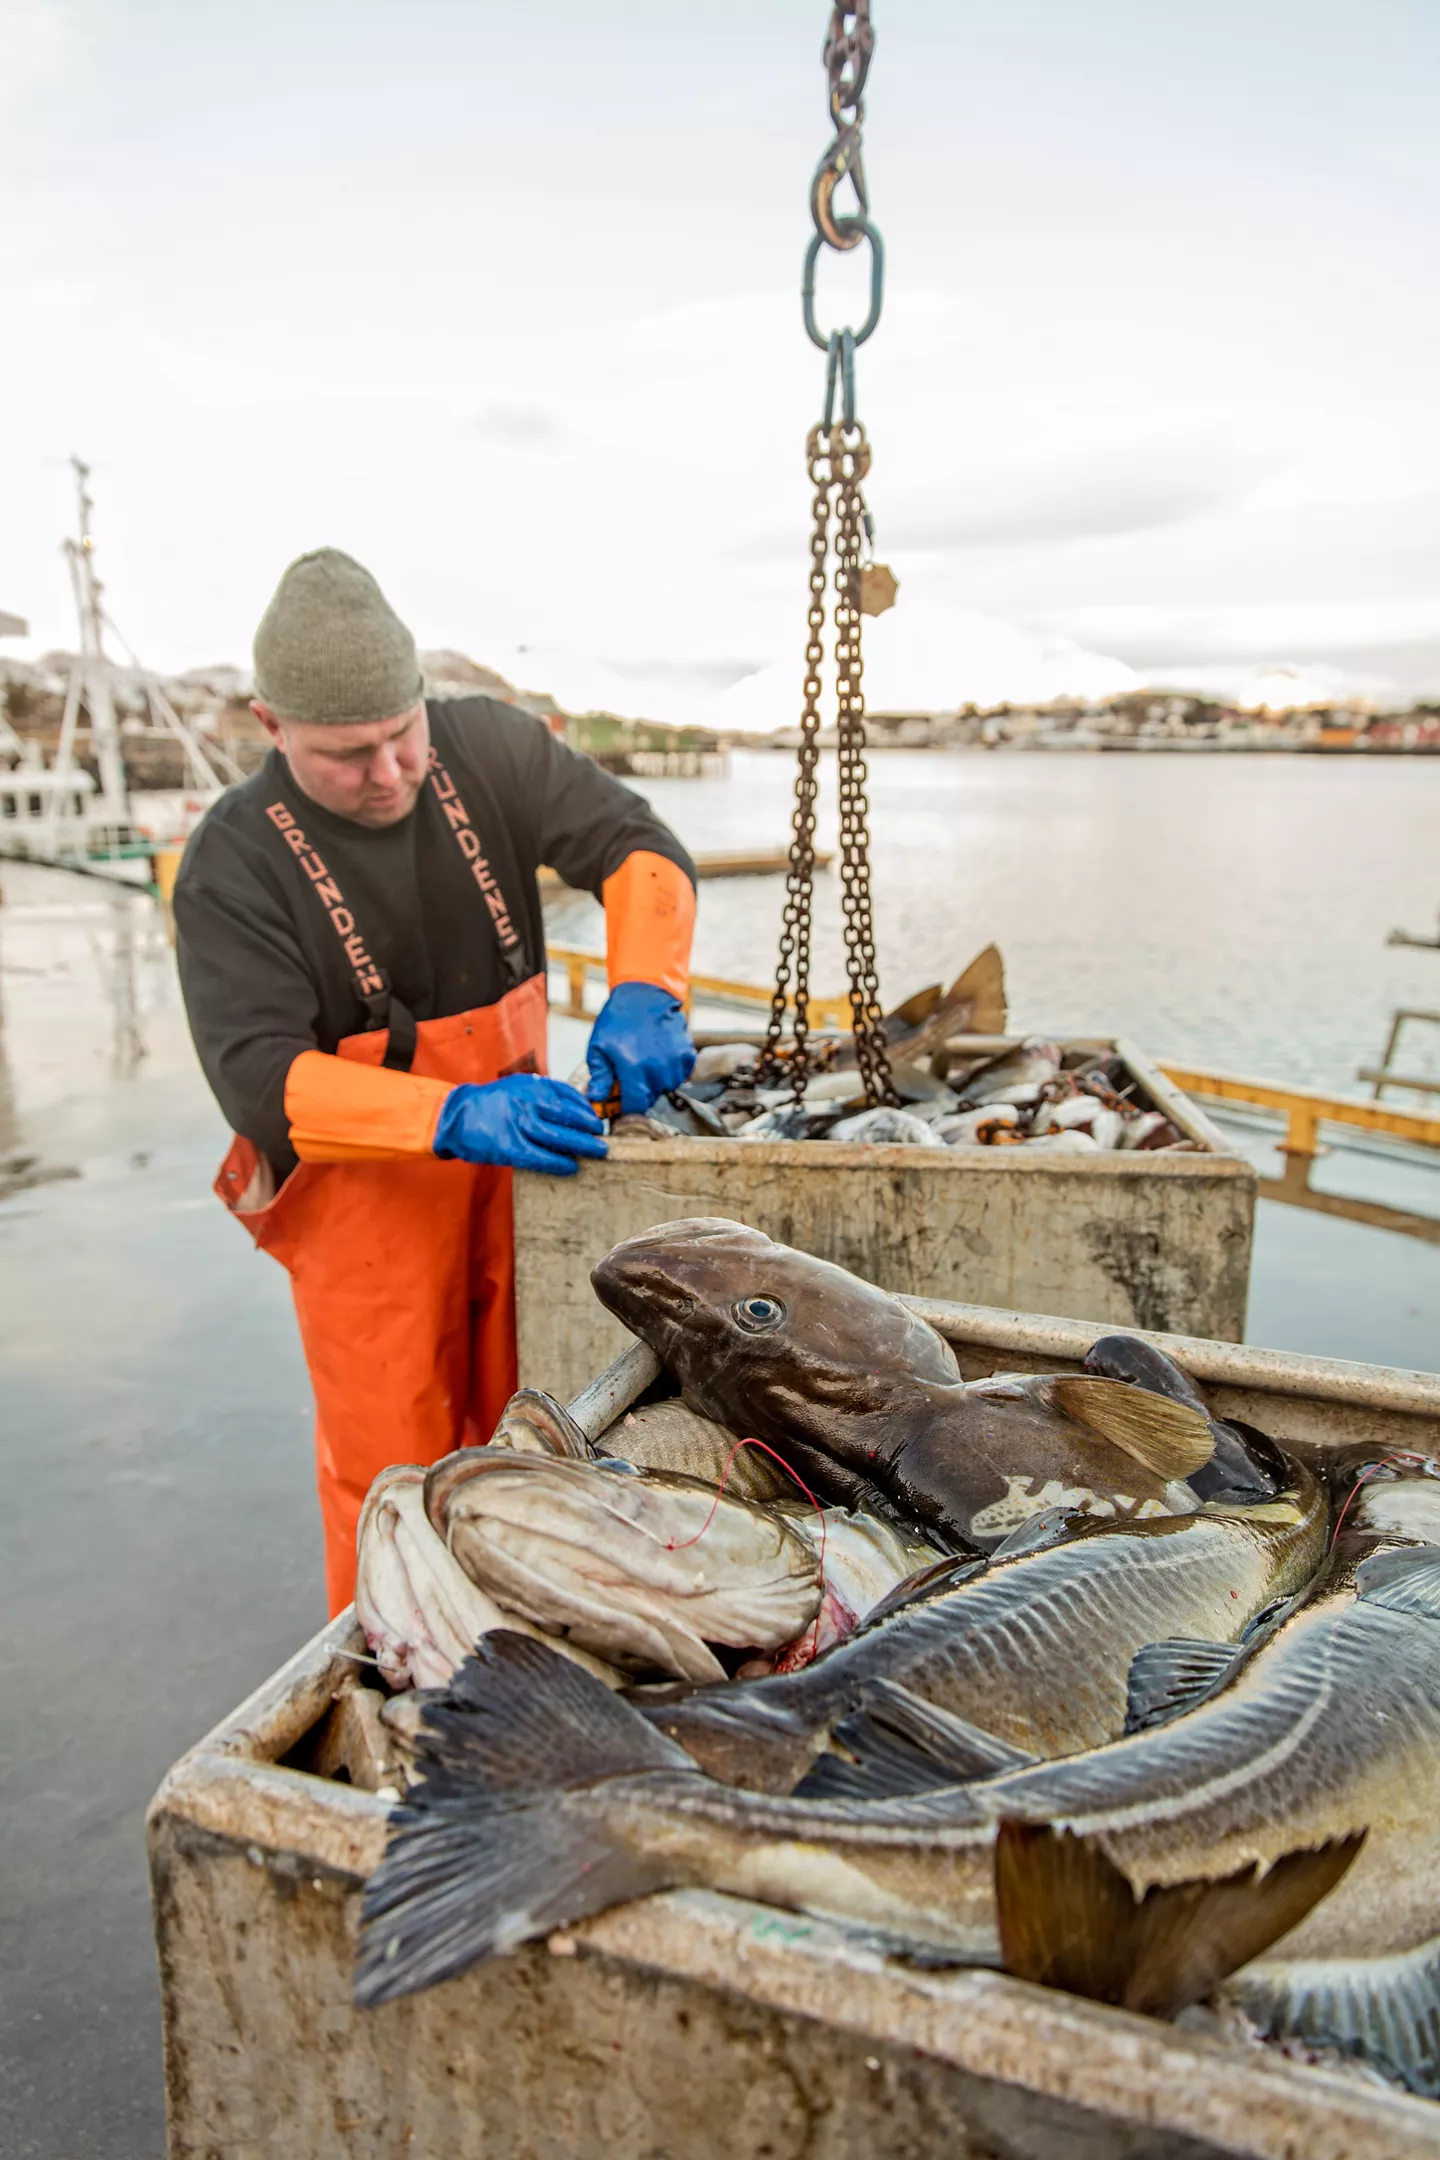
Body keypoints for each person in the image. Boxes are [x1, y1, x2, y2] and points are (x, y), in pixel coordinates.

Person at [174, 548, 696, 1612]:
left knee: (550, 1443)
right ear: (270, 726)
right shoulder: (233, 859)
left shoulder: (489, 748)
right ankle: (396, 1695)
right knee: (395, 1488)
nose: (389, 773)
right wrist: (452, 1112)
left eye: (401, 735)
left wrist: (651, 986)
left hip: (527, 1182)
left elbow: (636, 845)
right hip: (370, 1225)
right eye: (346, 754)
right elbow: (257, 1080)